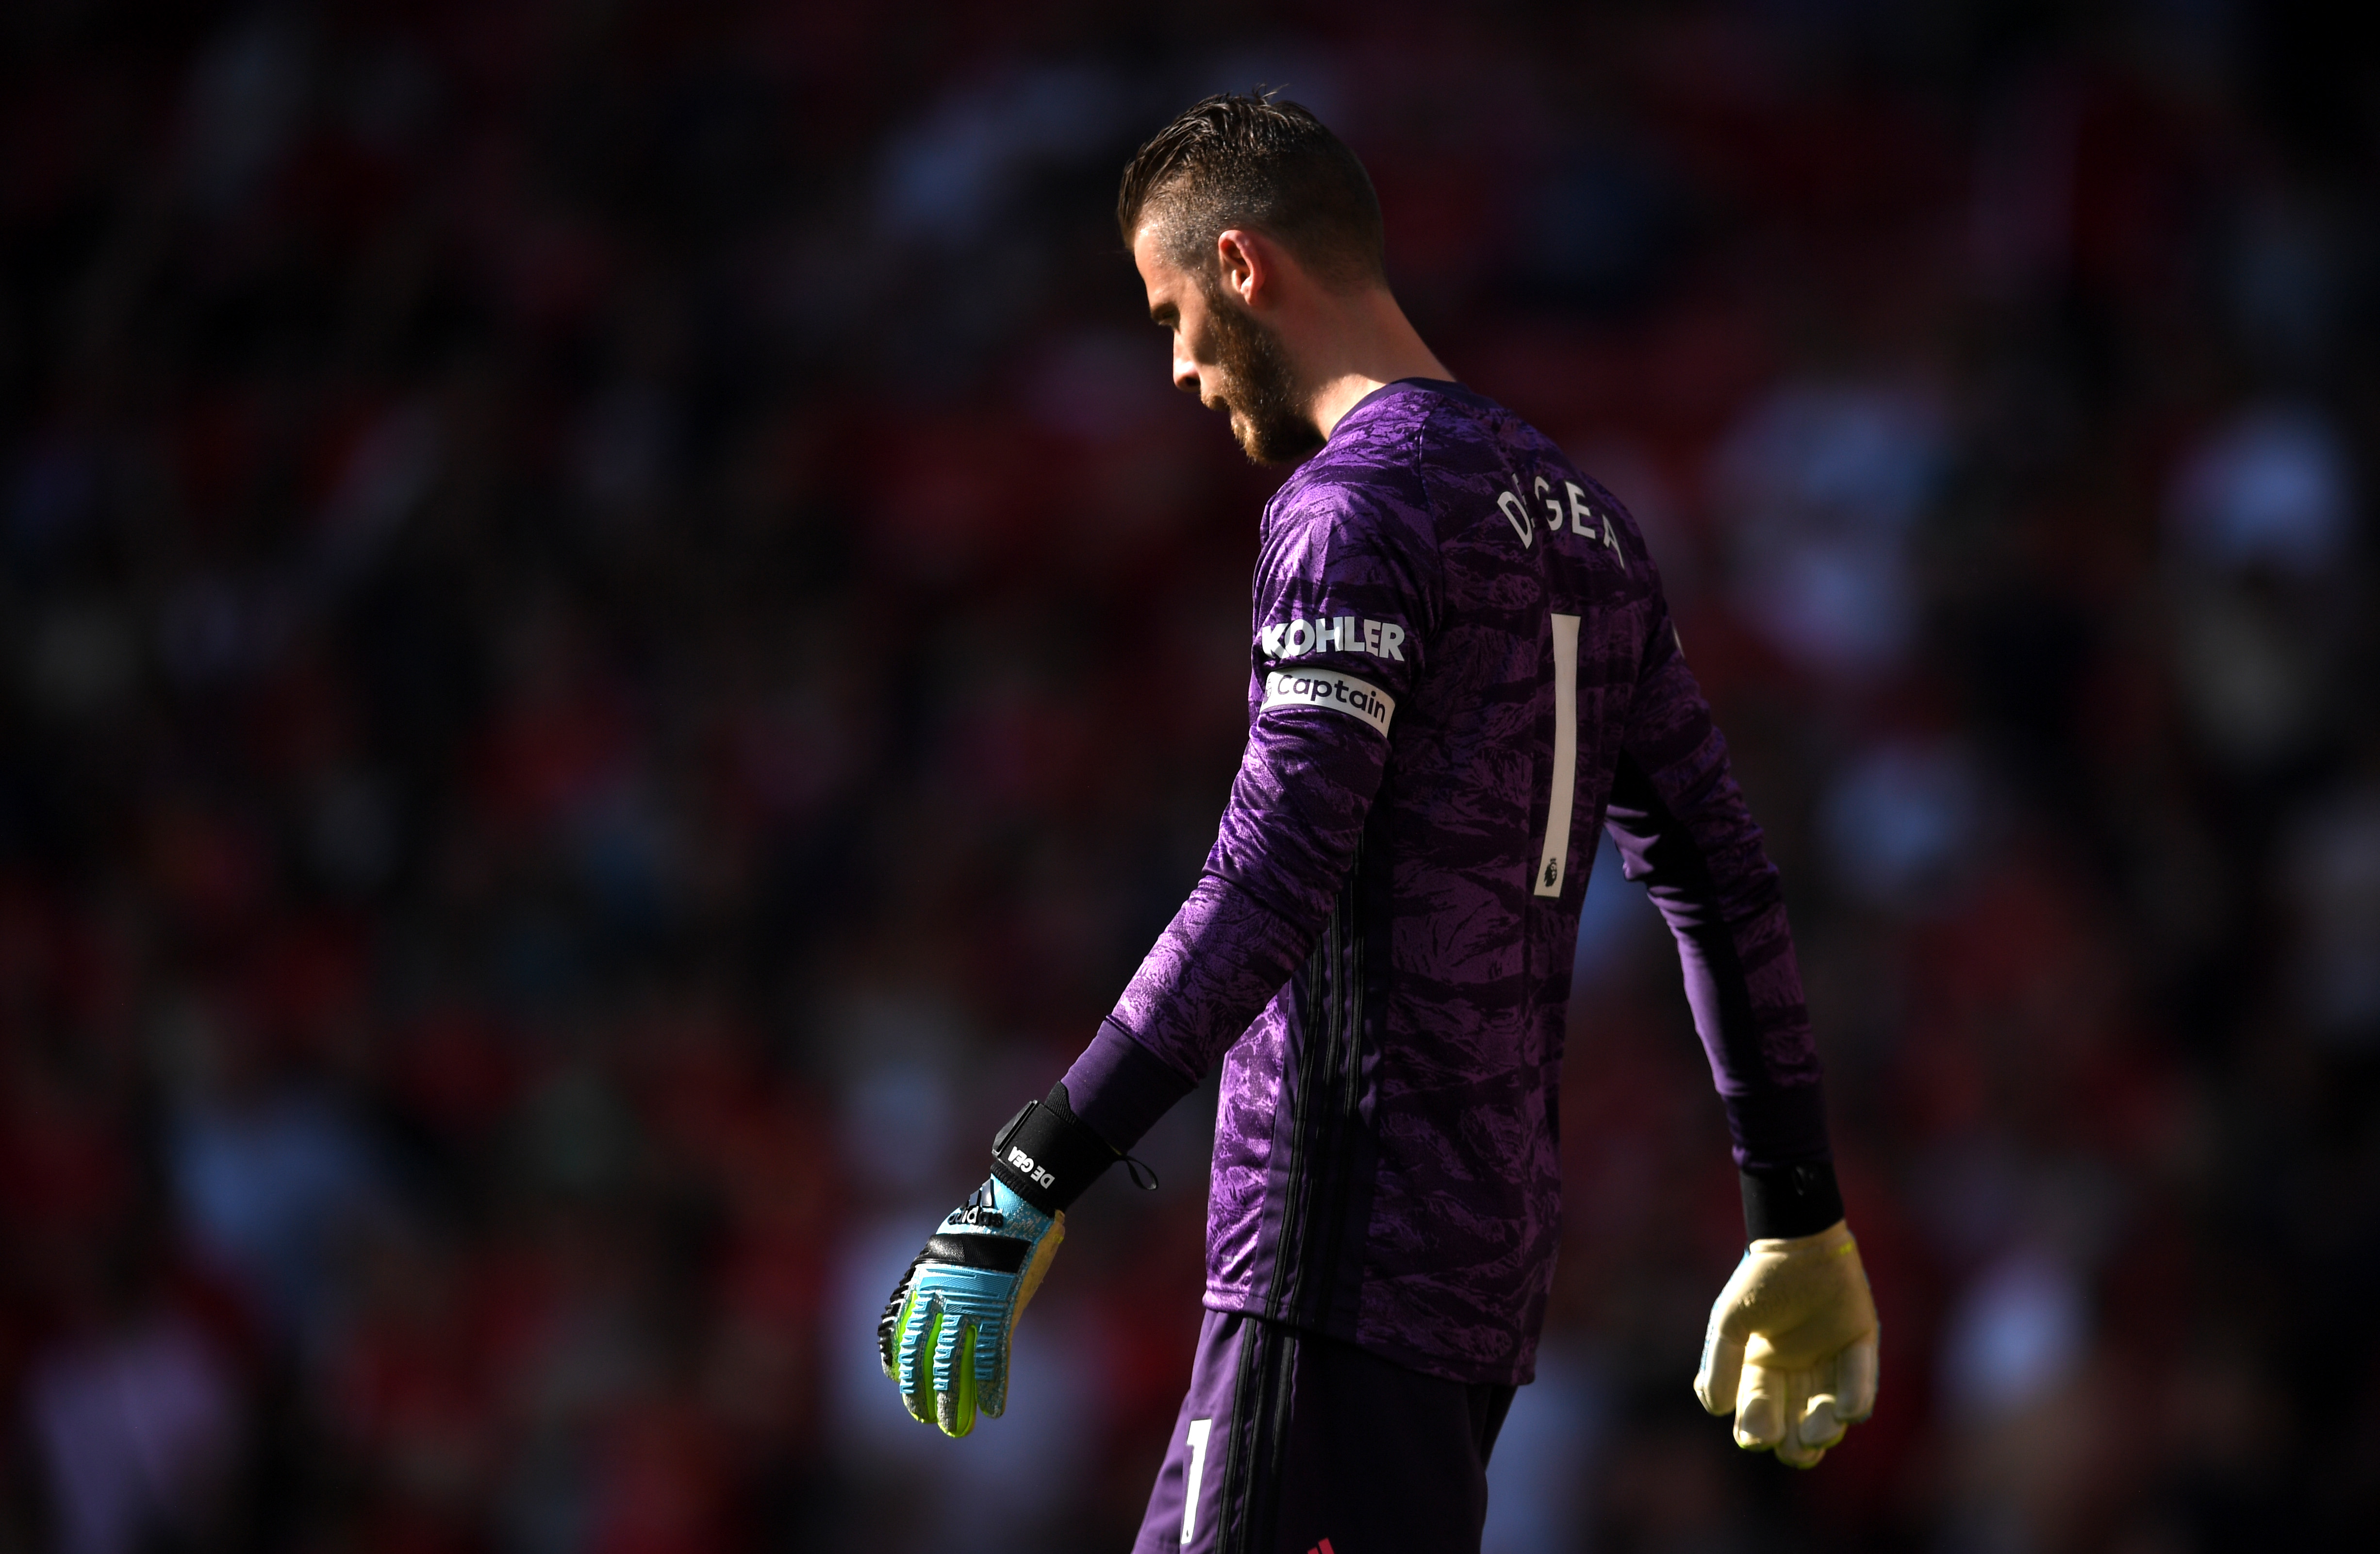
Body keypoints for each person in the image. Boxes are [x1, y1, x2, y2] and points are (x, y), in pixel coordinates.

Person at [877, 92, 1879, 1553]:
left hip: (1330, 1262)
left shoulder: (1354, 508)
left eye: (1170, 313)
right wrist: (1798, 1210)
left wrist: (1030, 1176)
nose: (1174, 366)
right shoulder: (1589, 523)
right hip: (1471, 1287)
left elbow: (1273, 872)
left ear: (1242, 265)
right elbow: (1724, 883)